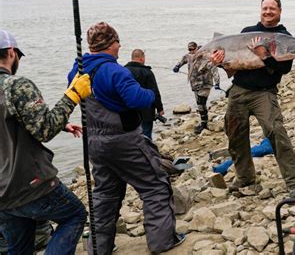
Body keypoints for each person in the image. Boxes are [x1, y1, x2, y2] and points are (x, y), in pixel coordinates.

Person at [67, 22, 183, 255]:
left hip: (95, 143)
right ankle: (163, 242)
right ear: (110, 44)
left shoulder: (76, 70)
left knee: (104, 195)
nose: (120, 46)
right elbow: (137, 100)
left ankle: (99, 248)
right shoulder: (115, 71)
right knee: (155, 186)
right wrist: (149, 94)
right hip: (124, 141)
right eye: (118, 42)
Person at [0, 30, 89, 254]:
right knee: (75, 215)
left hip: (3, 195)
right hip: (29, 184)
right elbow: (45, 129)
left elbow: (14, 125)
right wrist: (72, 95)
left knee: (18, 248)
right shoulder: (16, 85)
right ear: (11, 52)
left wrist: (61, 124)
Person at [210, 0, 295, 198]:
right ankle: (245, 177)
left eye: (272, 8)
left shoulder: (284, 36)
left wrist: (264, 55)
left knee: (276, 132)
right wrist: (219, 61)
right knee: (235, 136)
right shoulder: (247, 33)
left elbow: (285, 68)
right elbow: (231, 65)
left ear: (279, 12)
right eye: (265, 8)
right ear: (260, 10)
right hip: (239, 91)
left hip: (264, 92)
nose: (268, 12)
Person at [173, 41, 220, 134]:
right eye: (189, 49)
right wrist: (177, 66)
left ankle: (204, 124)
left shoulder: (205, 57)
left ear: (196, 49)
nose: (190, 51)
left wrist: (217, 83)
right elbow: (182, 61)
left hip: (205, 84)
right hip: (194, 85)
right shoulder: (188, 57)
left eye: (191, 49)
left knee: (201, 103)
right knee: (200, 105)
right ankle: (204, 122)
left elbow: (214, 69)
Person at [125, 49, 164, 139]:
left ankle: (134, 151)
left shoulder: (124, 71)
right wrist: (160, 108)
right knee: (146, 133)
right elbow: (154, 92)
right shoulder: (147, 72)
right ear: (141, 58)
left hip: (128, 110)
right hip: (146, 109)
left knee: (131, 134)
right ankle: (146, 151)